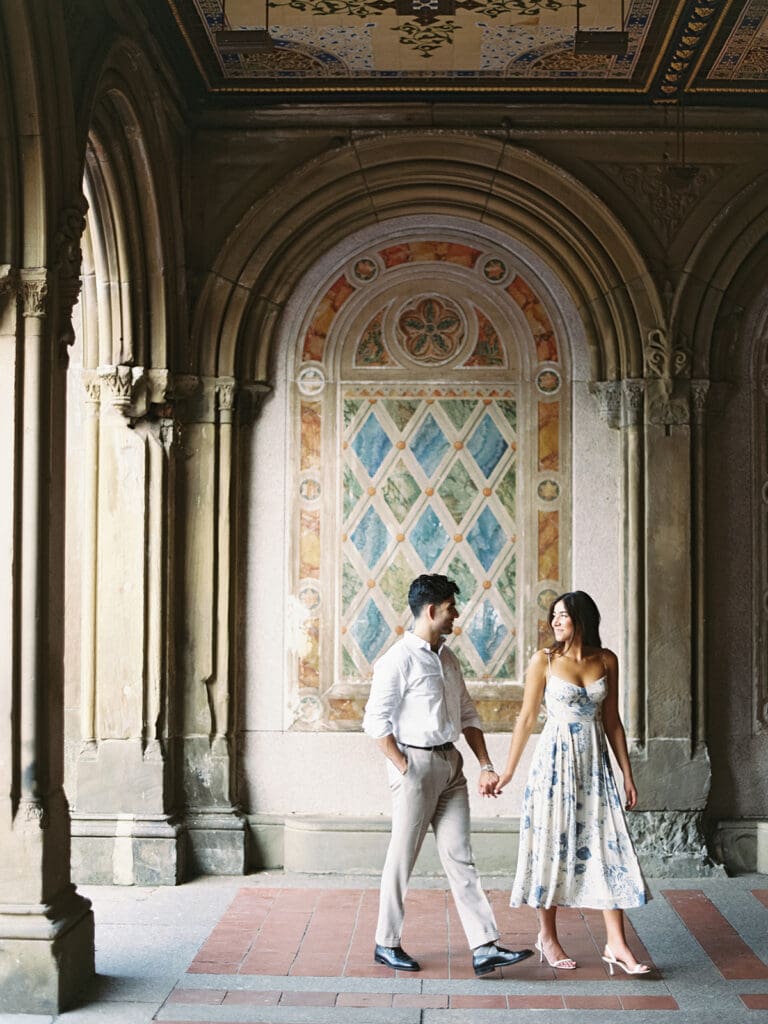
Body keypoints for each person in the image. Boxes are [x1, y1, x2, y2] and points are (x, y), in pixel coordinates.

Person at [363, 573, 533, 977]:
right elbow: (374, 722)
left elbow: (469, 714)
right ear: (431, 609)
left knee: (461, 858)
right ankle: (386, 943)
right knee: (402, 858)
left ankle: (485, 947)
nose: (457, 614)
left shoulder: (448, 657)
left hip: (451, 766)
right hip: (416, 767)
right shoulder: (398, 659)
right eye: (452, 607)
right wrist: (404, 768)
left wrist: (484, 764)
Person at [494, 590, 652, 975]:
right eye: (554, 616)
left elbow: (612, 722)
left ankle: (617, 944)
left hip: (594, 766)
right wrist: (509, 771)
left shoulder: (606, 660)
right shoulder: (544, 660)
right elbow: (527, 718)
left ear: (582, 618)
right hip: (553, 767)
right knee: (552, 845)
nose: (556, 621)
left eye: (563, 615)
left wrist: (627, 775)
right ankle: (547, 936)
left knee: (606, 846)